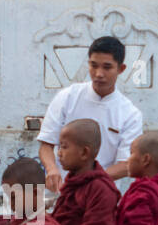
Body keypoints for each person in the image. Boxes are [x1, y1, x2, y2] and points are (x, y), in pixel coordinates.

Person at [37, 35, 143, 192]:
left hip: (102, 195)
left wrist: (89, 180)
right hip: (63, 193)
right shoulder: (67, 97)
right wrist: (52, 169)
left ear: (121, 69)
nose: (99, 74)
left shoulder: (130, 114)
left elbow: (126, 164)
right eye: (94, 65)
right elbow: (46, 144)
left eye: (107, 67)